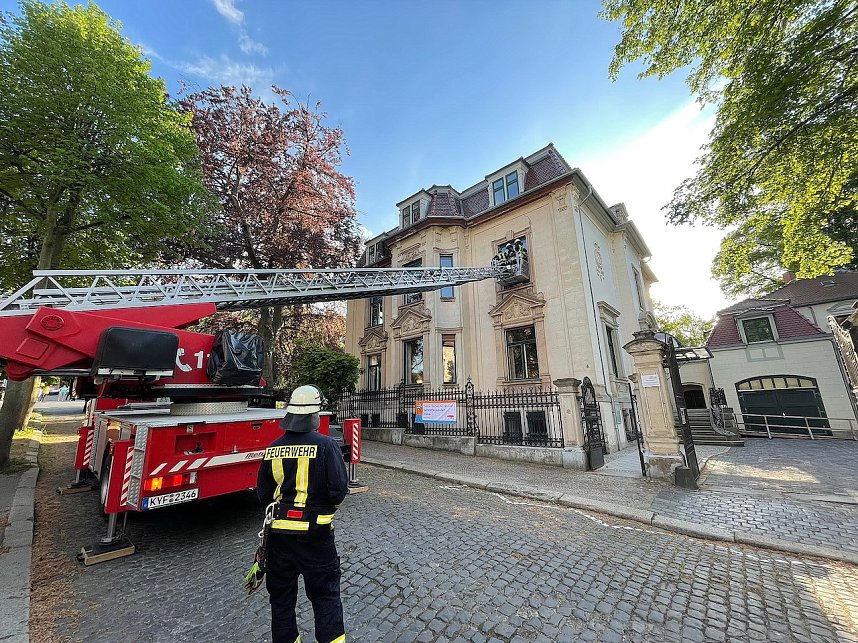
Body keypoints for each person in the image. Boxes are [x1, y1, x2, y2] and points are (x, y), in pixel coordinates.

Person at [253, 384, 349, 643]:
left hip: (279, 539)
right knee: (326, 596)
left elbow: (263, 494)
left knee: (281, 599)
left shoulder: (273, 449)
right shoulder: (327, 446)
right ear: (314, 415)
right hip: (316, 537)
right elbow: (338, 491)